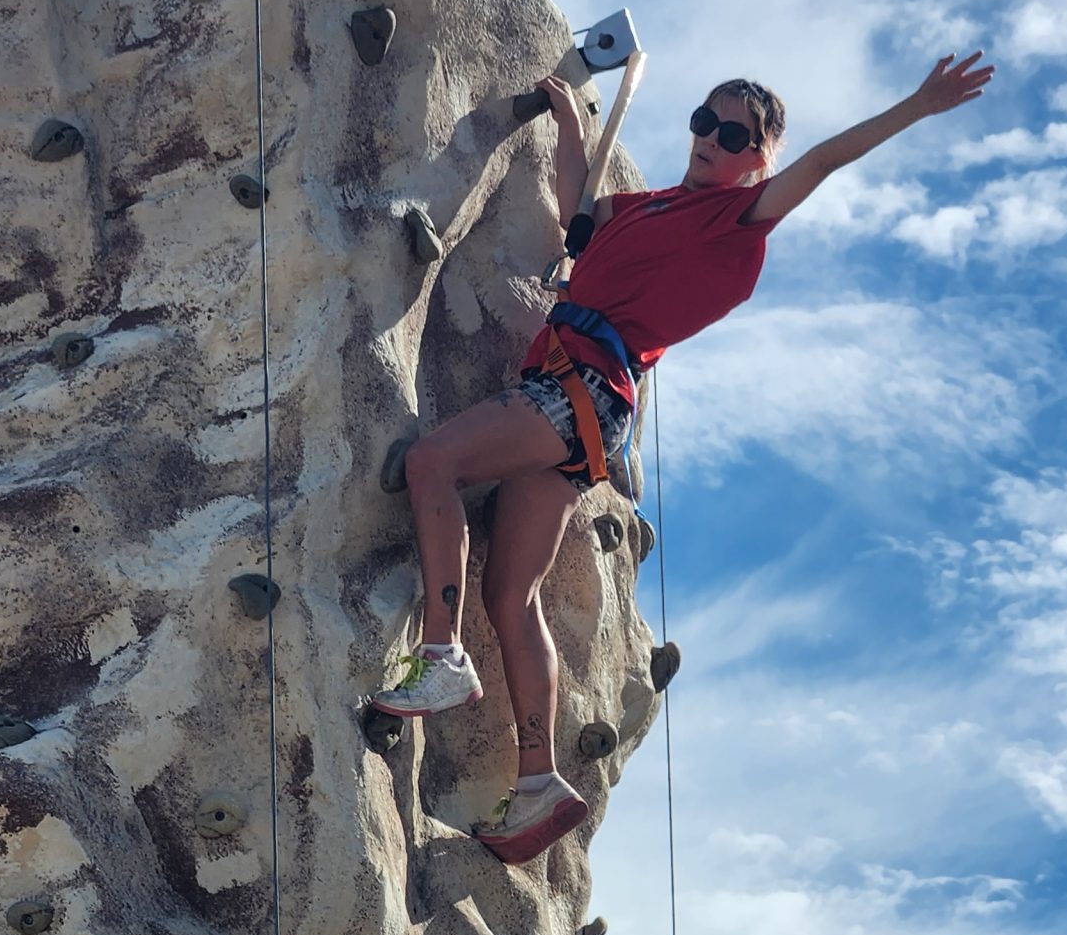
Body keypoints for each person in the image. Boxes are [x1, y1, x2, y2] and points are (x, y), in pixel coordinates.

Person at [369, 51, 995, 863]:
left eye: (733, 134)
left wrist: (916, 105)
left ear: (757, 160)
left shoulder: (737, 219)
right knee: (512, 592)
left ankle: (442, 653)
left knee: (433, 464)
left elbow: (821, 162)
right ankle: (538, 781)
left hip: (580, 389)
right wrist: (570, 125)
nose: (709, 137)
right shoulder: (650, 209)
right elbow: (578, 210)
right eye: (705, 120)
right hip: (580, 404)